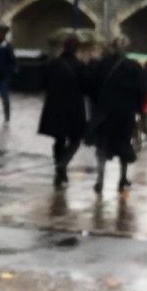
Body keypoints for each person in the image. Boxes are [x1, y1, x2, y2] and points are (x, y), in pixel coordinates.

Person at [89, 36, 147, 195]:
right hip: (125, 113)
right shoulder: (134, 66)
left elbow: (92, 87)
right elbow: (143, 90)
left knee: (102, 145)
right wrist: (138, 109)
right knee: (123, 144)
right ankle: (122, 178)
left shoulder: (102, 64)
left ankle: (100, 180)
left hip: (104, 112)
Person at [39, 35, 90, 187]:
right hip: (74, 108)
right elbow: (86, 87)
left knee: (59, 139)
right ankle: (63, 164)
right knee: (76, 139)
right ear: (77, 50)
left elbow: (43, 83)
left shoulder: (53, 64)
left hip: (54, 106)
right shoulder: (80, 66)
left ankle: (60, 171)